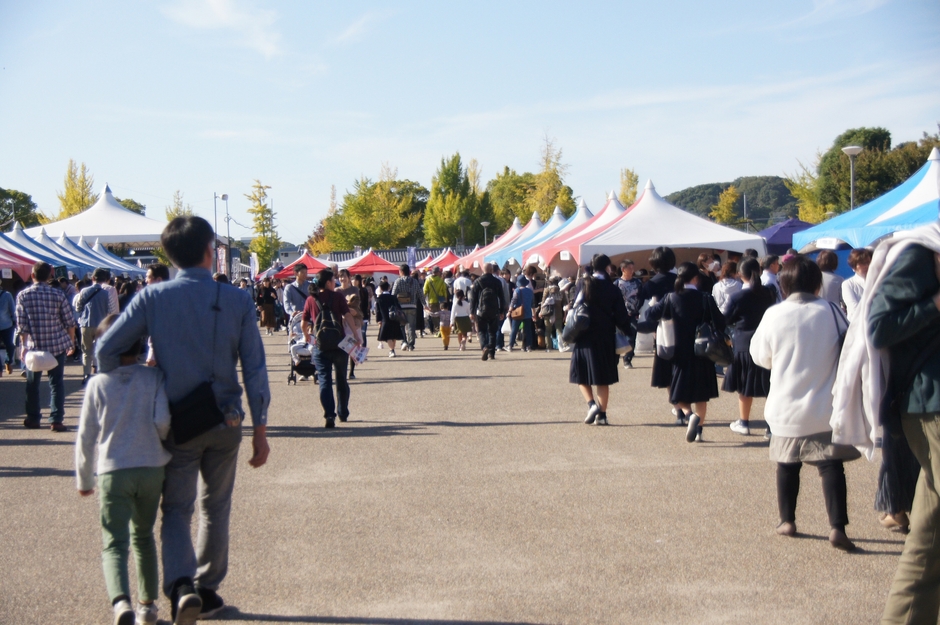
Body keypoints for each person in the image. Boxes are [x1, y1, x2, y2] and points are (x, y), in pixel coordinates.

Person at [95, 216, 270, 623]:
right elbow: (255, 368)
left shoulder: (151, 298)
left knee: (176, 509)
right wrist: (261, 428)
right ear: (211, 250)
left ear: (168, 255)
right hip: (226, 418)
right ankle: (208, 588)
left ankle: (180, 584)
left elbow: (107, 348)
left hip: (176, 420)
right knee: (216, 505)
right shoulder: (238, 299)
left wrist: (140, 379)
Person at [750, 255, 858, 551]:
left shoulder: (774, 314)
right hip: (825, 406)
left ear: (783, 283)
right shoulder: (831, 311)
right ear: (817, 284)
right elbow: (850, 347)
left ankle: (788, 521)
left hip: (784, 407)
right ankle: (837, 527)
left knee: (787, 465)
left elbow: (761, 357)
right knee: (830, 467)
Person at [76, 314, 171, 625]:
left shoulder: (97, 384)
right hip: (150, 466)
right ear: (139, 344)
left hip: (112, 468)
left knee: (114, 542)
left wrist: (84, 476)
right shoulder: (152, 378)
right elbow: (162, 422)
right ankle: (148, 607)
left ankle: (121, 603)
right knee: (144, 537)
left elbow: (86, 435)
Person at [867, 236, 940, 622]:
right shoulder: (922, 252)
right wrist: (934, 305)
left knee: (929, 536)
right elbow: (878, 327)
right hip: (930, 406)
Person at [645, 262, 725, 442]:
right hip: (704, 351)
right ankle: (699, 432)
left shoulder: (671, 298)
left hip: (679, 352)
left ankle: (689, 415)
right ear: (696, 279)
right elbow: (720, 322)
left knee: (677, 393)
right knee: (702, 396)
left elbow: (650, 315)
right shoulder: (705, 298)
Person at [569, 254, 631, 426]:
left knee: (581, 373)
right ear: (608, 267)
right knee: (603, 377)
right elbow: (621, 315)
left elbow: (575, 305)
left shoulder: (584, 283)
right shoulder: (612, 288)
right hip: (605, 336)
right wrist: (628, 332)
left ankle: (591, 405)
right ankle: (602, 415)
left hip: (584, 334)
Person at [16, 261, 77, 431]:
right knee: (56, 383)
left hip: (34, 346)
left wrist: (23, 346)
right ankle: (56, 419)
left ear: (32, 275)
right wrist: (71, 342)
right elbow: (69, 322)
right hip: (56, 344)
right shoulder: (58, 295)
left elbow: (22, 325)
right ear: (50, 275)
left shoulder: (23, 295)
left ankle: (33, 418)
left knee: (32, 384)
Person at [722, 258, 774, 436]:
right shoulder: (769, 293)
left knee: (745, 386)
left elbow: (726, 319)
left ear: (739, 274)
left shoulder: (737, 296)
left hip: (744, 343)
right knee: (770, 386)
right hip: (767, 342)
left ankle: (744, 422)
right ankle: (770, 427)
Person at [302, 268, 361, 427]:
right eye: (333, 279)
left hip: (320, 345)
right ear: (328, 282)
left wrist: (306, 335)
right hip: (339, 343)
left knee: (324, 380)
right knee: (341, 379)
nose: (335, 281)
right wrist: (355, 334)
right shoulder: (338, 296)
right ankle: (343, 412)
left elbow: (304, 322)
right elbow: (347, 315)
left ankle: (329, 415)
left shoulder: (310, 300)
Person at [640, 246, 681, 424]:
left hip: (662, 331)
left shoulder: (650, 284)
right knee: (682, 368)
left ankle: (678, 408)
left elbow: (644, 310)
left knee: (667, 370)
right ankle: (685, 405)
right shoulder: (680, 280)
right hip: (684, 329)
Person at [75, 268, 115, 385]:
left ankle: (86, 374)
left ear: (92, 278)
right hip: (101, 326)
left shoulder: (84, 291)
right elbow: (112, 310)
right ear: (105, 280)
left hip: (86, 324)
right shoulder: (107, 294)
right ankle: (99, 374)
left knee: (86, 352)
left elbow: (78, 307)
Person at [469, 263, 507, 361]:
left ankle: (484, 347)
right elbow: (501, 297)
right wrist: (502, 311)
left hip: (481, 310)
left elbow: (473, 299)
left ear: (483, 270)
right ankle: (491, 353)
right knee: (492, 332)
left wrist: (472, 312)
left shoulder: (478, 281)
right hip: (494, 310)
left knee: (481, 331)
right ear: (491, 270)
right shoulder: (497, 281)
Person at [613, 260, 642, 369]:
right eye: (629, 268)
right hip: (620, 315)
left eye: (633, 268)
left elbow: (641, 297)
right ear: (623, 269)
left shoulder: (637, 283)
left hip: (633, 314)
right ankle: (614, 360)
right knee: (618, 337)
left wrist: (637, 308)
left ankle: (627, 359)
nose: (632, 271)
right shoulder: (616, 284)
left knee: (631, 337)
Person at [391, 264, 425, 351]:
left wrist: (392, 305)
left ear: (401, 272)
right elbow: (420, 294)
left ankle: (404, 341)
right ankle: (411, 345)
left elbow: (393, 294)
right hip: (412, 306)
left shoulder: (398, 281)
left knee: (402, 325)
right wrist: (424, 304)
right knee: (411, 326)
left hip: (401, 307)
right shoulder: (415, 281)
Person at [841, 247, 872, 320]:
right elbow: (853, 308)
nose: (866, 266)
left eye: (868, 262)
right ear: (854, 267)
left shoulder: (877, 280)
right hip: (857, 325)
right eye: (862, 263)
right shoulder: (848, 284)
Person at [375, 284, 404, 357]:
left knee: (388, 336)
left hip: (385, 319)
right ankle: (392, 349)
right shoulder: (393, 297)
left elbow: (378, 311)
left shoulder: (379, 298)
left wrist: (378, 320)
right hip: (395, 318)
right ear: (389, 288)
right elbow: (399, 307)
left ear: (381, 288)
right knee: (394, 335)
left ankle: (392, 350)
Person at [508, 275, 535, 351]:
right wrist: (534, 314)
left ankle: (510, 345)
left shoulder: (517, 291)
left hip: (518, 313)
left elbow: (513, 302)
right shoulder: (530, 291)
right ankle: (528, 346)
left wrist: (509, 311)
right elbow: (533, 304)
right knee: (528, 331)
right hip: (528, 313)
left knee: (514, 330)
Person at [423, 266, 449, 337]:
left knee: (434, 316)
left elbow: (425, 291)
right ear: (437, 272)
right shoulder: (441, 281)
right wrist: (445, 300)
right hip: (441, 301)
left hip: (431, 301)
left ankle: (438, 330)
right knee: (441, 316)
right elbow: (444, 291)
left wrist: (424, 302)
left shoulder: (428, 280)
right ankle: (441, 330)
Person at [345, 292, 364, 379]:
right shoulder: (357, 309)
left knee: (349, 353)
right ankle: (351, 372)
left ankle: (350, 372)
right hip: (353, 331)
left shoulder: (352, 309)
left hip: (349, 332)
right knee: (352, 353)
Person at [0, 280, 16, 375]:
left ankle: (8, 362)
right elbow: (13, 310)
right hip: (7, 324)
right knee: (10, 345)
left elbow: (13, 310)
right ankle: (6, 363)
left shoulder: (7, 295)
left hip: (7, 325)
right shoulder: (7, 294)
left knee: (10, 345)